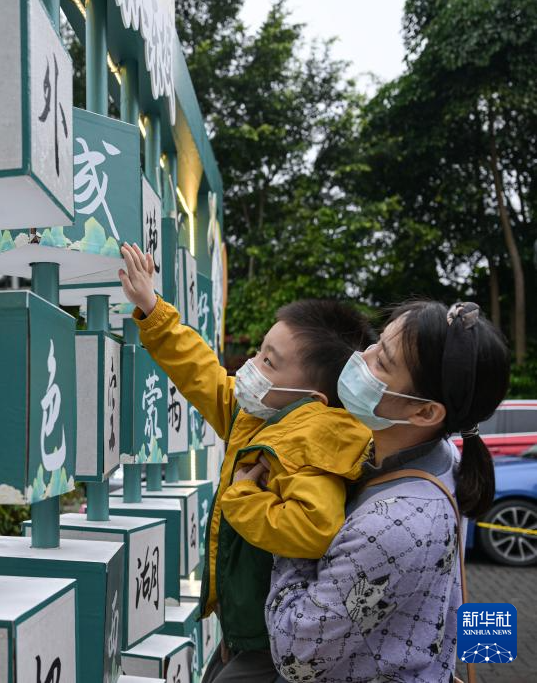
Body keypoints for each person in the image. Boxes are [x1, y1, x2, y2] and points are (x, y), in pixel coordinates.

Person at [118, 244, 376, 682]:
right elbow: (203, 375)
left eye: (269, 362)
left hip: (269, 641)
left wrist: (242, 497)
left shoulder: (312, 445)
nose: (252, 365)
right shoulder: (260, 415)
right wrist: (153, 311)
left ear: (313, 399)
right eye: (259, 351)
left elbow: (314, 528)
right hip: (244, 626)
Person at [265, 300, 509, 683]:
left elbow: (295, 653)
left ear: (425, 413)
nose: (362, 356)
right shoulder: (442, 457)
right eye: (378, 342)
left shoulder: (395, 526)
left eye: (382, 362)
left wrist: (286, 519)